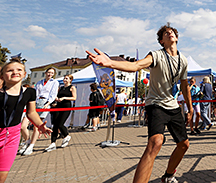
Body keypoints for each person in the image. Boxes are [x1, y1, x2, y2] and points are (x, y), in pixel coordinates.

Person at [87, 23, 192, 183]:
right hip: (156, 103)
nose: (169, 34)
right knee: (156, 142)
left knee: (184, 145)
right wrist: (111, 63)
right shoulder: (156, 55)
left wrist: (190, 109)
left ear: (177, 38)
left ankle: (168, 175)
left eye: (172, 32)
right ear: (161, 41)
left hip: (173, 105)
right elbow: (136, 65)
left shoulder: (183, 60)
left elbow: (184, 85)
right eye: (165, 33)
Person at [0, 61, 52, 183]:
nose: (15, 72)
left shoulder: (29, 92)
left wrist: (40, 125)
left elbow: (31, 112)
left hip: (12, 137)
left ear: (24, 74)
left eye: (19, 70)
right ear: (2, 76)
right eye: (10, 70)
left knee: (2, 175)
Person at [22, 67, 59, 156]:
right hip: (35, 102)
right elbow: (35, 93)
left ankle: (31, 145)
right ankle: (27, 141)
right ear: (45, 73)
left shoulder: (54, 82)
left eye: (52, 73)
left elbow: (53, 94)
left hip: (45, 103)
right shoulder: (39, 82)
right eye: (48, 72)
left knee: (37, 126)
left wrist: (48, 103)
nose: (50, 74)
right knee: (23, 125)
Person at [45, 74, 76, 152]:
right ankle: (52, 143)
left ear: (70, 80)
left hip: (66, 106)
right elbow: (57, 96)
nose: (64, 80)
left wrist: (64, 98)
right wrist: (56, 99)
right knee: (55, 125)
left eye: (66, 78)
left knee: (60, 124)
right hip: (58, 106)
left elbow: (74, 98)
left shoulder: (72, 87)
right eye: (64, 78)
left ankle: (66, 136)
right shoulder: (61, 88)